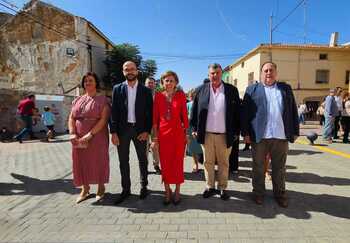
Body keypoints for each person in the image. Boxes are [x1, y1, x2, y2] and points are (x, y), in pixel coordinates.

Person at [241, 62, 299, 208]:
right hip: (259, 135)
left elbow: (293, 110)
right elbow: (245, 114)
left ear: (276, 73)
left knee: (279, 168)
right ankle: (258, 193)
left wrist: (295, 131)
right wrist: (245, 133)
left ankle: (280, 194)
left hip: (280, 135)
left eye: (271, 70)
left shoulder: (285, 89)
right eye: (265, 70)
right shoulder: (252, 90)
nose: (268, 73)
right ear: (261, 73)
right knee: (258, 166)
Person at [190, 63, 240, 201]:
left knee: (224, 163)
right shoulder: (200, 90)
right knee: (208, 162)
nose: (215, 75)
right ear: (208, 75)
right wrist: (194, 129)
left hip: (225, 135)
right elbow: (194, 111)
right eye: (212, 73)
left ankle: (222, 187)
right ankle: (210, 186)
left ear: (221, 74)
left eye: (217, 73)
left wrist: (236, 131)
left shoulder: (231, 90)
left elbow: (237, 113)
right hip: (206, 134)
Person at [110, 61, 153, 204]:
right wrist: (113, 133)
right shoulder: (117, 89)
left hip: (140, 131)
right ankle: (126, 190)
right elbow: (113, 112)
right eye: (126, 69)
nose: (129, 71)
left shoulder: (145, 90)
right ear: (123, 72)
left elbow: (150, 113)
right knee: (123, 161)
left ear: (137, 71)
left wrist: (147, 131)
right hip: (122, 131)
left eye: (132, 69)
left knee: (143, 160)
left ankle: (143, 186)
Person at [68, 72, 110, 204]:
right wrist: (72, 132)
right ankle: (85, 189)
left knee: (99, 160)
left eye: (91, 80)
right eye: (85, 81)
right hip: (78, 137)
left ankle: (101, 188)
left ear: (96, 83)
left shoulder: (103, 99)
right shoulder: (77, 99)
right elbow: (71, 117)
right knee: (81, 162)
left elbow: (103, 120)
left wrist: (90, 134)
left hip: (97, 136)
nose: (88, 83)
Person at [152, 71, 188, 205]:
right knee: (165, 164)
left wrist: (187, 135)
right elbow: (155, 119)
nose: (169, 83)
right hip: (163, 136)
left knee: (178, 164)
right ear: (162, 83)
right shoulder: (158, 96)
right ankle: (167, 191)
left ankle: (177, 191)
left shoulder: (181, 96)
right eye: (166, 80)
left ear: (176, 83)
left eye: (171, 80)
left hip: (178, 135)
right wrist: (155, 139)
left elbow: (185, 117)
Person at [145, 77, 161, 175]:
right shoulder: (140, 95)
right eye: (148, 83)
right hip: (144, 126)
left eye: (152, 83)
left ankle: (156, 165)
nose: (150, 85)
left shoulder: (159, 96)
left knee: (156, 146)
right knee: (144, 147)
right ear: (145, 84)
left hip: (156, 126)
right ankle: (144, 167)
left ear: (155, 84)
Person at [186, 89, 203, 173]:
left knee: (202, 147)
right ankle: (195, 164)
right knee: (193, 148)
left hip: (200, 128)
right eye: (191, 95)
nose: (193, 97)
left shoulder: (201, 104)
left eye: (194, 95)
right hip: (190, 128)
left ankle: (206, 164)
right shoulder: (188, 104)